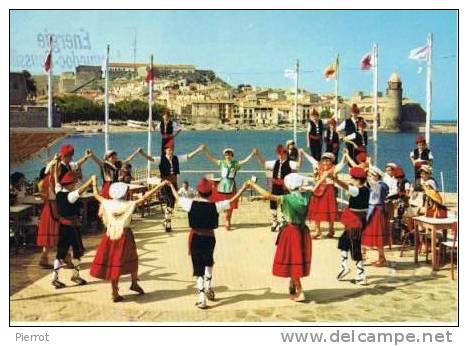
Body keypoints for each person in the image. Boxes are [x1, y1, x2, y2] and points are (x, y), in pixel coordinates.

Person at [247, 173, 331, 302]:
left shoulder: (286, 198)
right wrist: (324, 176)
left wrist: (252, 184)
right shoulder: (307, 195)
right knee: (297, 259)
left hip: (290, 232)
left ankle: (300, 291)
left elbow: (267, 195)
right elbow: (316, 186)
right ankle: (293, 284)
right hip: (303, 230)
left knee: (292, 260)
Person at [168, 177, 248, 309]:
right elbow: (232, 199)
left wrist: (170, 185)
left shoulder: (190, 204)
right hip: (210, 237)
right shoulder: (215, 205)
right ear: (210, 193)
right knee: (209, 261)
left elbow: (177, 197)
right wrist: (243, 188)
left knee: (198, 267)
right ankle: (209, 287)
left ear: (198, 192)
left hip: (196, 238)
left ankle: (201, 298)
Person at [90, 178, 170, 302]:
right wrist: (161, 184)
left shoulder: (106, 202)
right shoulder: (129, 204)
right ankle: (134, 283)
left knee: (113, 263)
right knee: (133, 259)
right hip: (125, 235)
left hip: (110, 235)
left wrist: (94, 182)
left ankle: (115, 292)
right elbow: (146, 196)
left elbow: (95, 195)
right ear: (124, 193)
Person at [140, 144, 204, 232]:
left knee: (172, 203)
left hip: (173, 183)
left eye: (172, 150)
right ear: (165, 151)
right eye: (169, 150)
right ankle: (168, 223)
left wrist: (199, 150)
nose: (171, 151)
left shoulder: (176, 158)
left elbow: (189, 156)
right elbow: (151, 159)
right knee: (170, 202)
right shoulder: (160, 159)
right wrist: (142, 153)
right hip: (165, 184)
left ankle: (166, 221)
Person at [51, 172, 94, 289]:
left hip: (62, 227)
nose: (74, 185)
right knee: (77, 252)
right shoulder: (70, 196)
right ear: (68, 185)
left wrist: (55, 168)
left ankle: (54, 278)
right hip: (71, 228)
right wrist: (90, 181)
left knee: (60, 253)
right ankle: (75, 275)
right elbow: (80, 191)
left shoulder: (59, 191)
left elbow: (56, 181)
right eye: (73, 183)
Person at [202, 146, 256, 230]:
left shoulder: (235, 163)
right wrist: (205, 150)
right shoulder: (221, 163)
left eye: (229, 154)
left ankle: (228, 220)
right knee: (221, 204)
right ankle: (222, 219)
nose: (228, 156)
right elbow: (211, 159)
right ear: (224, 155)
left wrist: (252, 154)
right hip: (222, 185)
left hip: (231, 185)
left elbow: (245, 161)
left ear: (232, 155)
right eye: (226, 154)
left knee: (230, 204)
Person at [333, 166, 370, 285]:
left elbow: (345, 187)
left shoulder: (357, 190)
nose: (351, 180)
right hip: (357, 221)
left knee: (355, 247)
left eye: (352, 178)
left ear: (357, 179)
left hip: (355, 222)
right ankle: (344, 266)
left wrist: (334, 179)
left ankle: (361, 275)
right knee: (343, 241)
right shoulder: (366, 189)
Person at [255, 145, 301, 232]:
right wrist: (258, 155)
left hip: (285, 185)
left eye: (282, 153)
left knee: (284, 202)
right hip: (276, 185)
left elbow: (298, 165)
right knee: (273, 202)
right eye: (279, 153)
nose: (280, 155)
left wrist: (301, 156)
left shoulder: (290, 163)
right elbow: (264, 164)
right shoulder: (275, 162)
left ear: (286, 154)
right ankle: (274, 221)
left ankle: (283, 221)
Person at [301, 149, 346, 239]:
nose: (325, 162)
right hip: (318, 190)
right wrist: (304, 152)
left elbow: (342, 163)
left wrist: (345, 155)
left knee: (330, 209)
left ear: (331, 161)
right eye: (324, 160)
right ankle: (318, 230)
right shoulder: (318, 166)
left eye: (328, 160)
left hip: (329, 190)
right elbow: (311, 159)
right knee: (316, 209)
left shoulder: (334, 168)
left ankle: (331, 229)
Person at [361, 166, 390, 267]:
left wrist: (365, 173)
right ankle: (363, 255)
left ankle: (382, 258)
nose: (371, 176)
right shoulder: (373, 185)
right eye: (371, 174)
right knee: (365, 233)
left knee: (378, 236)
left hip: (376, 211)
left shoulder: (380, 186)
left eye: (373, 174)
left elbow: (371, 184)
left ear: (378, 176)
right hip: (370, 210)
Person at [36, 159, 60, 268]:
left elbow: (46, 195)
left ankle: (44, 258)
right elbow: (54, 195)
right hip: (53, 208)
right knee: (59, 233)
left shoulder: (44, 180)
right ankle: (67, 258)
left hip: (47, 208)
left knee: (50, 235)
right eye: (57, 167)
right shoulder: (53, 180)